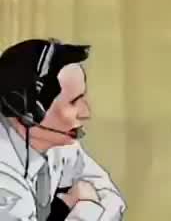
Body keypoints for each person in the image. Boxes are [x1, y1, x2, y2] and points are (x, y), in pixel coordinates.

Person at [0, 39, 124, 221]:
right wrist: (82, 207)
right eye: (73, 102)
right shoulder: (3, 174)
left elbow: (112, 199)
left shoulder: (59, 144)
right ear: (29, 112)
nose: (86, 113)